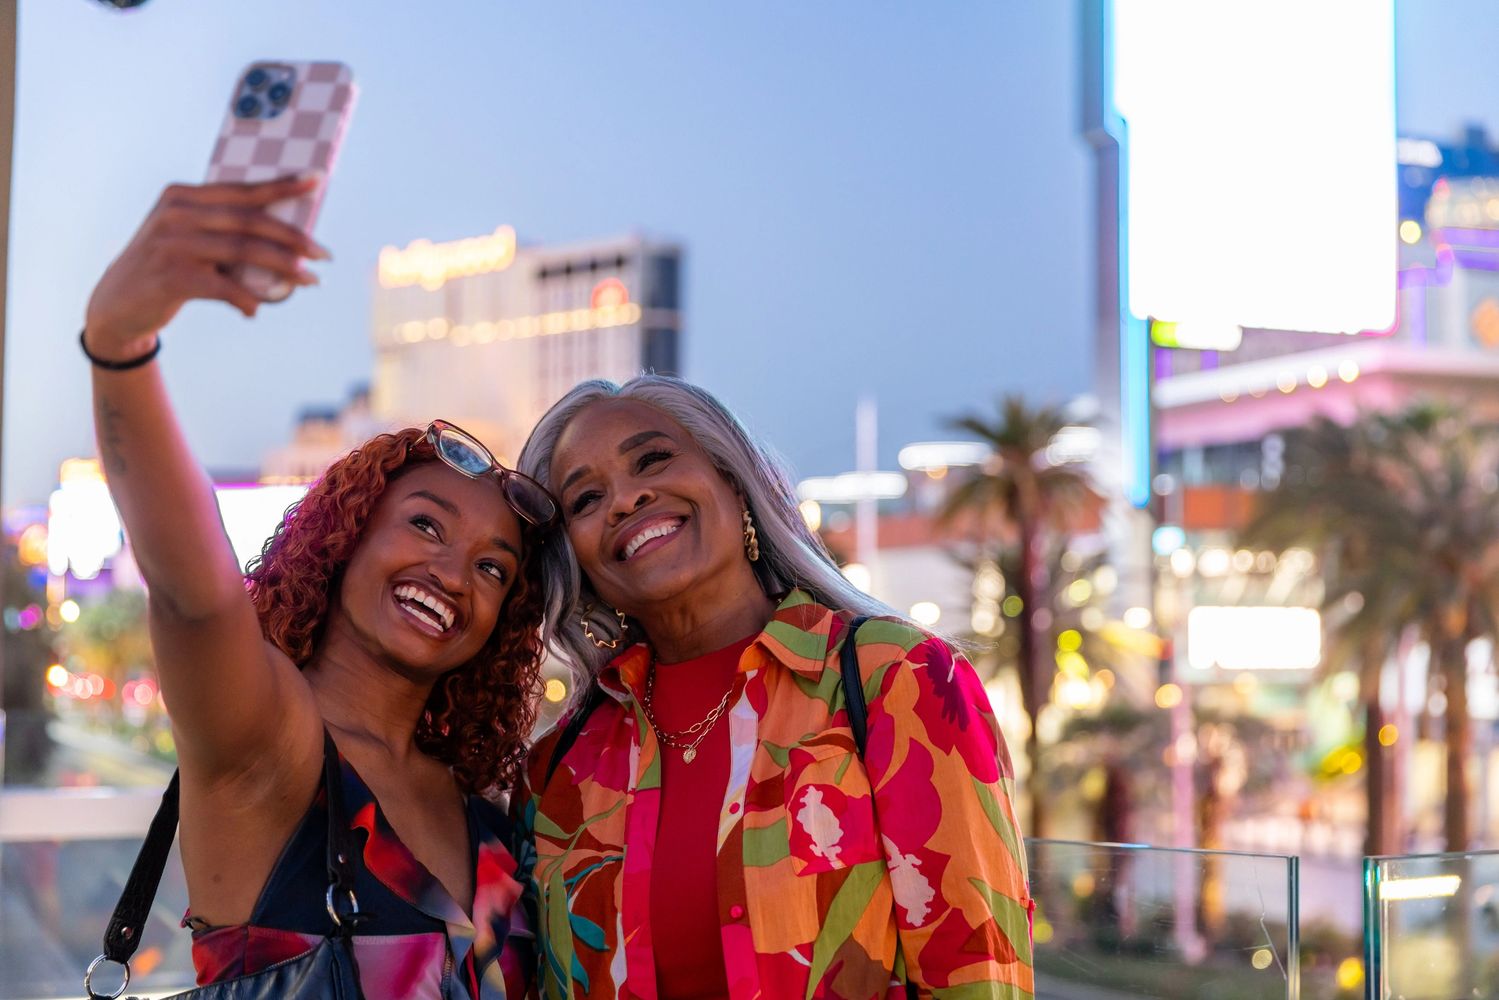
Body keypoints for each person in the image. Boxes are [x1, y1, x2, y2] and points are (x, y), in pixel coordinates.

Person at [82, 176, 556, 998]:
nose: (453, 573)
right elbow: (195, 592)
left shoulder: (485, 800)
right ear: (347, 534)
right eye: (425, 525)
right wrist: (121, 344)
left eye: (492, 568)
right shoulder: (268, 742)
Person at [514, 375, 1034, 999]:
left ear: (735, 483)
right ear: (576, 558)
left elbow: (977, 977)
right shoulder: (560, 769)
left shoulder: (898, 679)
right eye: (586, 500)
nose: (626, 499)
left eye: (652, 459)